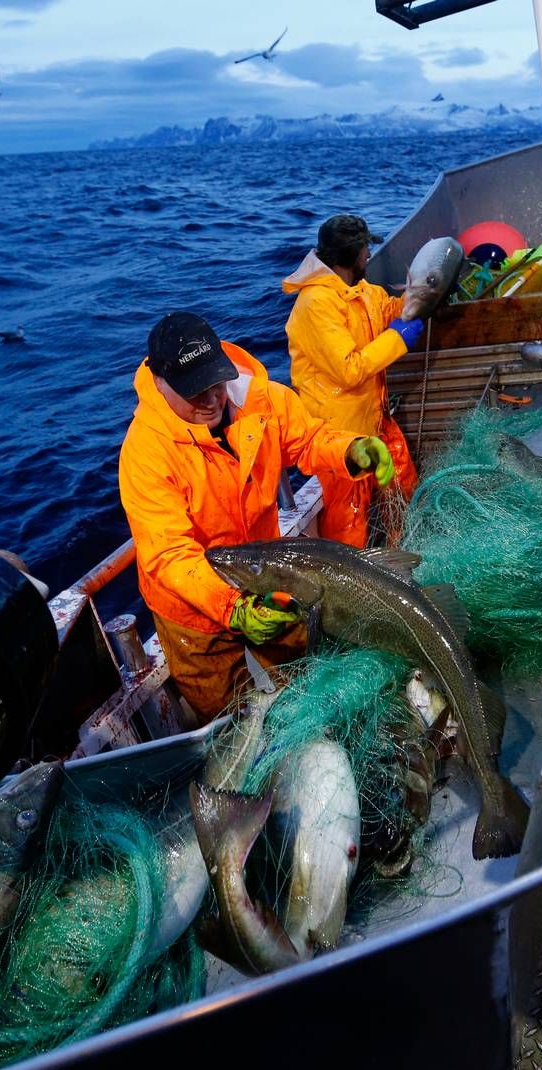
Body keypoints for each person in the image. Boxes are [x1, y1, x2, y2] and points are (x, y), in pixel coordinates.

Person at [118, 311, 394, 726]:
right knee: (229, 718)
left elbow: (307, 439)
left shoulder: (262, 400)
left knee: (305, 670)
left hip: (269, 576)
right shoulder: (145, 453)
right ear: (161, 383)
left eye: (216, 382)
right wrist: (232, 607)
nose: (212, 400)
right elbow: (169, 555)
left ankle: (310, 731)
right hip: (192, 611)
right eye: (196, 392)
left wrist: (348, 450)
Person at [283, 213, 424, 547]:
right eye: (364, 250)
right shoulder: (316, 304)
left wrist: (420, 299)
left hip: (374, 417)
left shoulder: (358, 289)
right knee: (349, 520)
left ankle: (400, 550)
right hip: (341, 435)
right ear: (352, 256)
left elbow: (387, 309)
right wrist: (399, 338)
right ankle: (354, 582)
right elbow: (349, 369)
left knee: (403, 486)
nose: (369, 255)